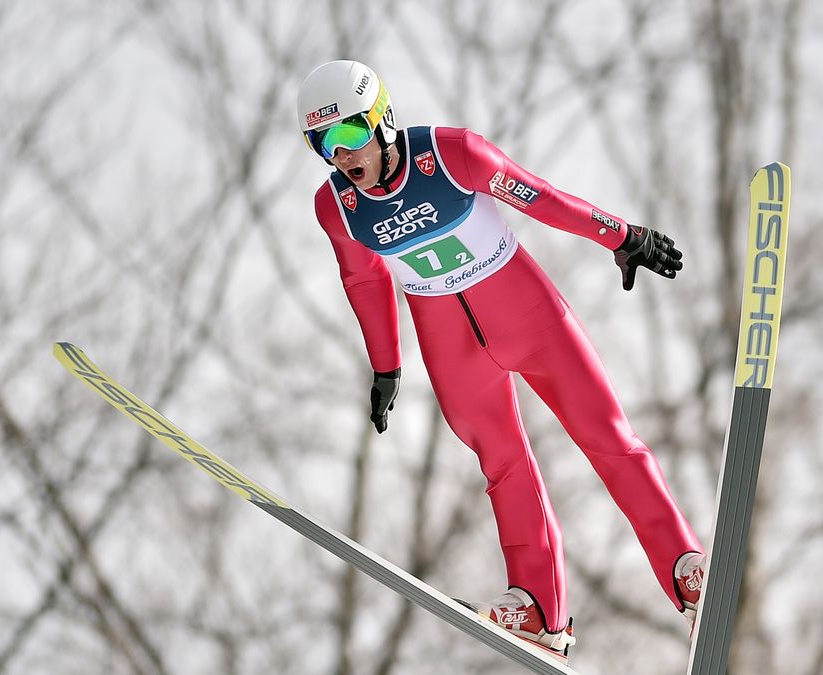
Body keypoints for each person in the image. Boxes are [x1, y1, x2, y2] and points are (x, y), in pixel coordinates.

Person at [298, 60, 705, 662]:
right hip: (449, 342)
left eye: (351, 135)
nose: (343, 156)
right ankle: (541, 610)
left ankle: (686, 569)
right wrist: (386, 365)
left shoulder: (453, 153)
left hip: (528, 315)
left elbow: (541, 198)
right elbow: (363, 280)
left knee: (606, 435)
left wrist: (622, 236)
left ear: (381, 119)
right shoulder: (337, 207)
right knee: (503, 466)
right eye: (324, 144)